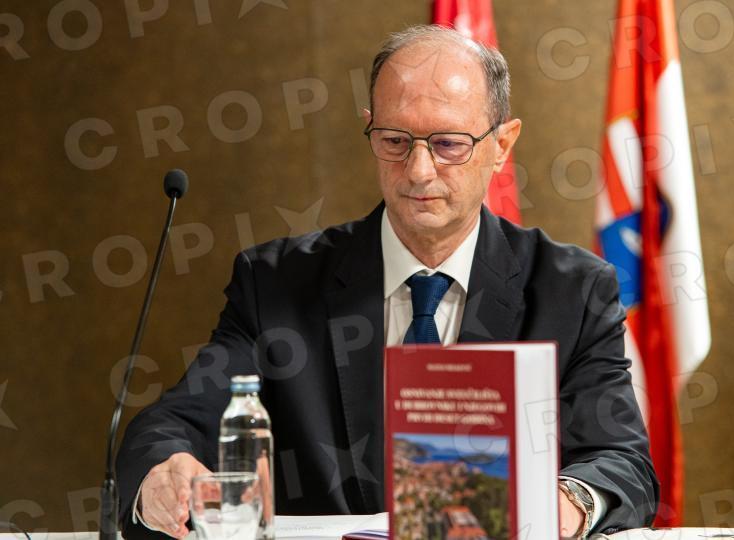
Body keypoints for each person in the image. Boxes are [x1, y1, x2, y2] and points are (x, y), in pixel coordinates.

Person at [116, 24, 658, 539]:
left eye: (448, 144)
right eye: (395, 140)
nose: (419, 170)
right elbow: (175, 422)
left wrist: (564, 502)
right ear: (370, 129)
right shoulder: (276, 283)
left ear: (502, 145)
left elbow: (620, 460)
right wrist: (164, 471)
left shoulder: (573, 290)